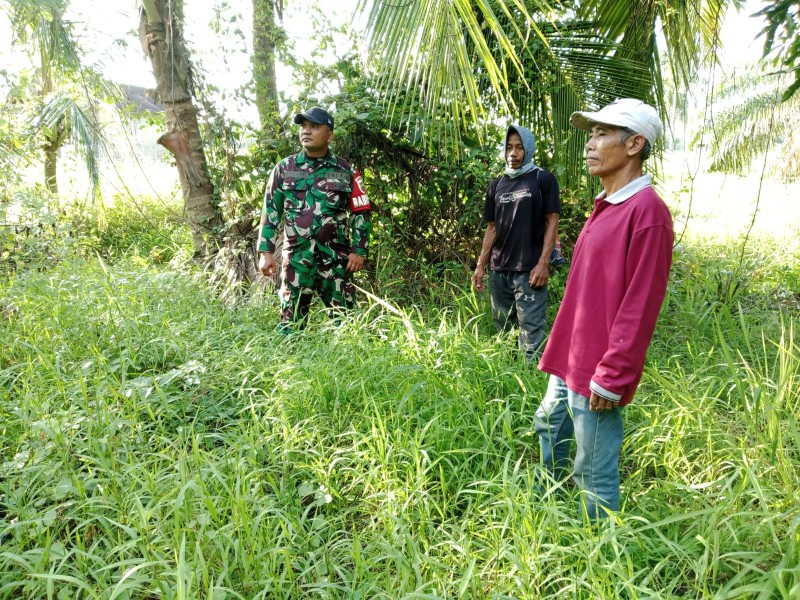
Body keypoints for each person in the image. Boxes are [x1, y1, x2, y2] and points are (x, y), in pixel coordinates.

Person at [535, 98, 674, 520]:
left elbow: (640, 308)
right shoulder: (606, 204)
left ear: (634, 145)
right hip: (570, 356)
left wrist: (612, 377)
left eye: (601, 134)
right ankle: (549, 516)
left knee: (593, 472)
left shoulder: (647, 213)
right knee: (548, 428)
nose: (589, 145)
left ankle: (601, 560)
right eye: (590, 134)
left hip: (598, 368)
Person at [257, 106, 371, 331]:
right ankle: (291, 363)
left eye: (314, 126)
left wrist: (359, 250)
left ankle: (348, 364)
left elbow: (361, 210)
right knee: (290, 326)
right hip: (297, 261)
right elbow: (270, 211)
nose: (306, 131)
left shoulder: (345, 170)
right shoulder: (285, 169)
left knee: (346, 325)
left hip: (335, 259)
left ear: (329, 136)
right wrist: (265, 252)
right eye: (303, 126)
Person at [471, 125, 560, 361]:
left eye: (519, 147)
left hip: (529, 270)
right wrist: (481, 265)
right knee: (504, 330)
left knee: (531, 331)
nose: (513, 153)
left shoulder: (542, 179)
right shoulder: (497, 185)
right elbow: (491, 228)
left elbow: (552, 221)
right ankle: (508, 380)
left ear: (528, 150)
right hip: (499, 270)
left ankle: (531, 385)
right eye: (509, 147)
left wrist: (543, 263)